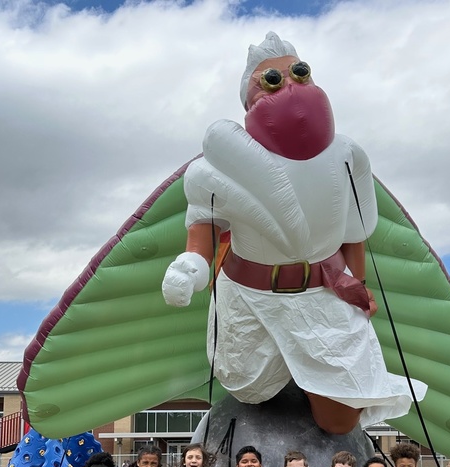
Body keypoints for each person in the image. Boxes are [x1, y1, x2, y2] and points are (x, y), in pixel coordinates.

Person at [161, 31, 425, 436]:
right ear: (251, 97)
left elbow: (353, 233)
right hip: (249, 296)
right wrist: (189, 269)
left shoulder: (347, 156)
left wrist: (357, 283)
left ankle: (314, 382)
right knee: (250, 391)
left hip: (322, 293)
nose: (288, 84)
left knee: (339, 419)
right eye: (272, 79)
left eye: (299, 73)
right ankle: (284, 374)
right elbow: (203, 235)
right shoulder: (218, 166)